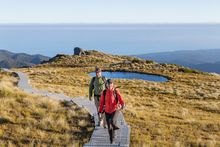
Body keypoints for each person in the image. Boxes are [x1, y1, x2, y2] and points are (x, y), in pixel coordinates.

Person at [98, 79, 125, 144]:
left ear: (112, 84)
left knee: (112, 121)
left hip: (115, 110)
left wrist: (122, 104)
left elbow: (121, 99)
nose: (109, 85)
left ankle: (115, 130)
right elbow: (101, 103)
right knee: (109, 126)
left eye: (111, 84)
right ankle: (111, 139)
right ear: (106, 85)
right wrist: (100, 111)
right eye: (108, 84)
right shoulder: (104, 92)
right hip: (107, 111)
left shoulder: (115, 91)